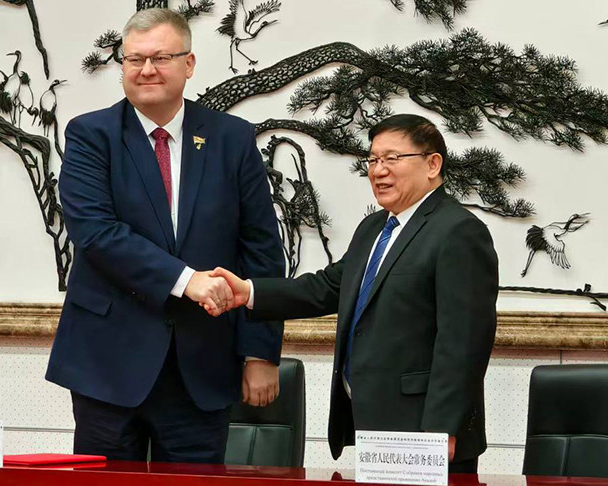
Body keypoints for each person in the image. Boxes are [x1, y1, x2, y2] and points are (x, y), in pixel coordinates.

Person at [45, 8, 285, 464]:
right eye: (134, 59)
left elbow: (262, 251)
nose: (146, 70)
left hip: (202, 364)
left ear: (188, 64)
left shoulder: (232, 139)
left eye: (160, 58)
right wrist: (186, 280)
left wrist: (260, 353)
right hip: (108, 364)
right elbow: (96, 233)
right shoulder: (90, 135)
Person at [211, 114, 498, 473]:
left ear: (432, 164)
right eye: (373, 160)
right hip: (373, 418)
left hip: (426, 427)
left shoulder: (459, 231)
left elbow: (464, 341)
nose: (379, 170)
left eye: (392, 158)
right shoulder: (374, 227)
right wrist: (249, 292)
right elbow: (327, 286)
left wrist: (443, 428)